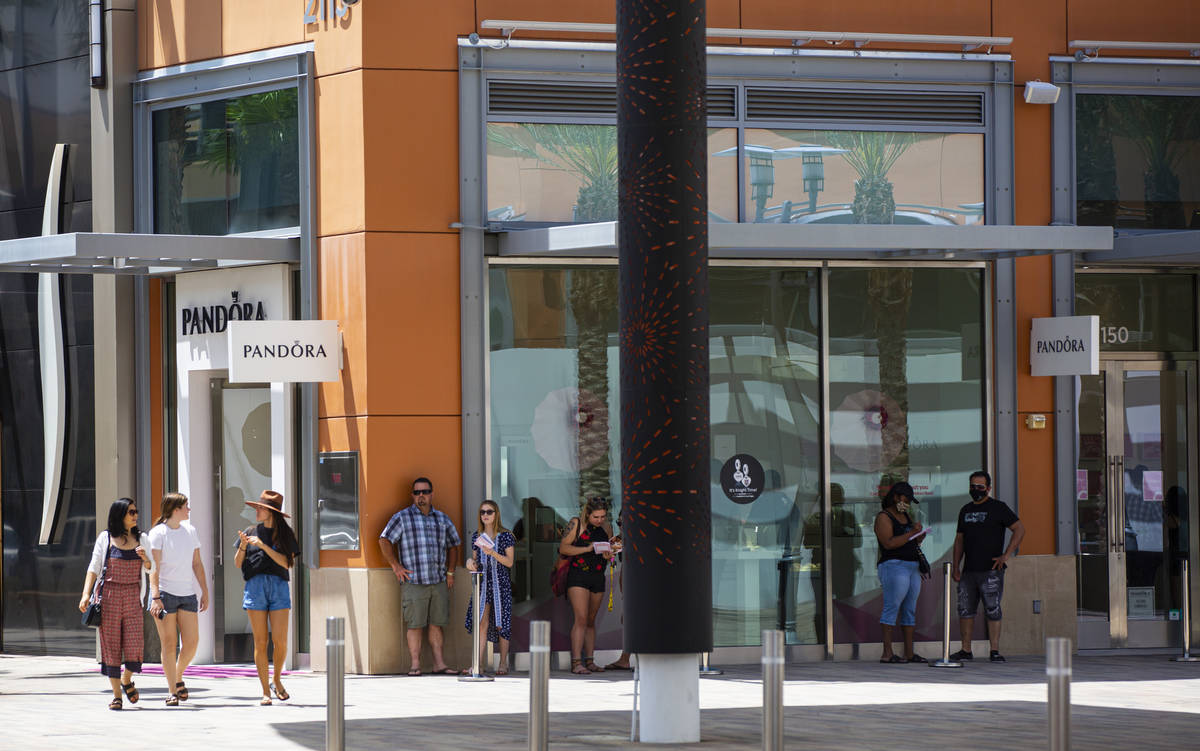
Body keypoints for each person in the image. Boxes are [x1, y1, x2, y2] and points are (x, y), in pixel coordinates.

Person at [378, 476, 462, 676]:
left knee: (437, 623)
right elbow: (384, 540)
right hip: (413, 581)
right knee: (414, 625)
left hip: (438, 580)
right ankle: (415, 665)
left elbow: (454, 545)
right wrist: (395, 566)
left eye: (425, 492)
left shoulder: (442, 518)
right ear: (412, 495)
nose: (421, 496)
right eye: (417, 492)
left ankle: (439, 664)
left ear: (432, 494)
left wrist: (450, 572)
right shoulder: (402, 517)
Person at [78, 498, 152, 709]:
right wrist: (85, 594)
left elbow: (151, 568)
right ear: (120, 515)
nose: (135, 515)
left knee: (135, 644)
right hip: (109, 596)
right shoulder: (106, 538)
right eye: (131, 512)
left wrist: (146, 559)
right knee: (110, 646)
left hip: (132, 595)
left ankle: (127, 679)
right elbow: (93, 567)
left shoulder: (142, 538)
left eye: (136, 511)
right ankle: (117, 695)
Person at [951, 470, 1025, 663]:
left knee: (993, 609)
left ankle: (994, 650)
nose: (976, 490)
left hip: (991, 569)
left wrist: (1006, 555)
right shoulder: (965, 510)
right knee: (965, 610)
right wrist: (956, 566)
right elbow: (959, 540)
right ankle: (966, 650)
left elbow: (1019, 528)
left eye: (980, 487)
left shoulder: (998, 508)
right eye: (972, 486)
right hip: (968, 570)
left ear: (989, 488)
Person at [234, 490, 299, 705]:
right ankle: (265, 691)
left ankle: (276, 679)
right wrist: (244, 545)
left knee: (280, 642)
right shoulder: (250, 530)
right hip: (255, 586)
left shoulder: (285, 534)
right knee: (260, 642)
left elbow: (287, 563)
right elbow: (237, 563)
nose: (257, 511)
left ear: (272, 512)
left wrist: (263, 546)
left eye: (261, 508)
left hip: (278, 586)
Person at [148, 492, 209, 706]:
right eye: (186, 507)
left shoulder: (190, 531)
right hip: (164, 593)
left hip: (187, 593)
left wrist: (205, 591)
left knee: (192, 642)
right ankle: (172, 690)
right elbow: (153, 568)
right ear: (175, 510)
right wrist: (155, 596)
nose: (189, 510)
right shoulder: (158, 533)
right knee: (169, 643)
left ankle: (178, 674)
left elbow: (197, 564)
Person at [559, 497, 616, 674]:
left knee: (591, 620)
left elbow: (608, 552)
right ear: (587, 513)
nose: (599, 520)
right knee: (581, 618)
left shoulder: (606, 528)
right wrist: (588, 548)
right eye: (596, 517)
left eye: (603, 517)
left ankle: (590, 660)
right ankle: (577, 662)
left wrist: (609, 554)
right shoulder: (576, 523)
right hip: (578, 575)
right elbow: (564, 548)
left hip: (598, 575)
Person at [874, 481, 929, 663]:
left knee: (910, 609)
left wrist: (918, 537)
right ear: (896, 496)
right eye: (905, 499)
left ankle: (909, 652)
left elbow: (909, 542)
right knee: (892, 606)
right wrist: (910, 533)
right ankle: (887, 652)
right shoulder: (884, 517)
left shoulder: (906, 516)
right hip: (893, 565)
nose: (907, 504)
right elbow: (888, 543)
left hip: (911, 565)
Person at [463, 499, 515, 675]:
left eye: (489, 512)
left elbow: (509, 562)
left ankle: (503, 663)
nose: (485, 515)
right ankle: (478, 664)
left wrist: (492, 552)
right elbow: (476, 562)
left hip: (501, 584)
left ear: (496, 514)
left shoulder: (506, 535)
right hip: (483, 584)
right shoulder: (476, 536)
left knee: (502, 624)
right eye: (482, 512)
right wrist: (470, 563)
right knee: (482, 623)